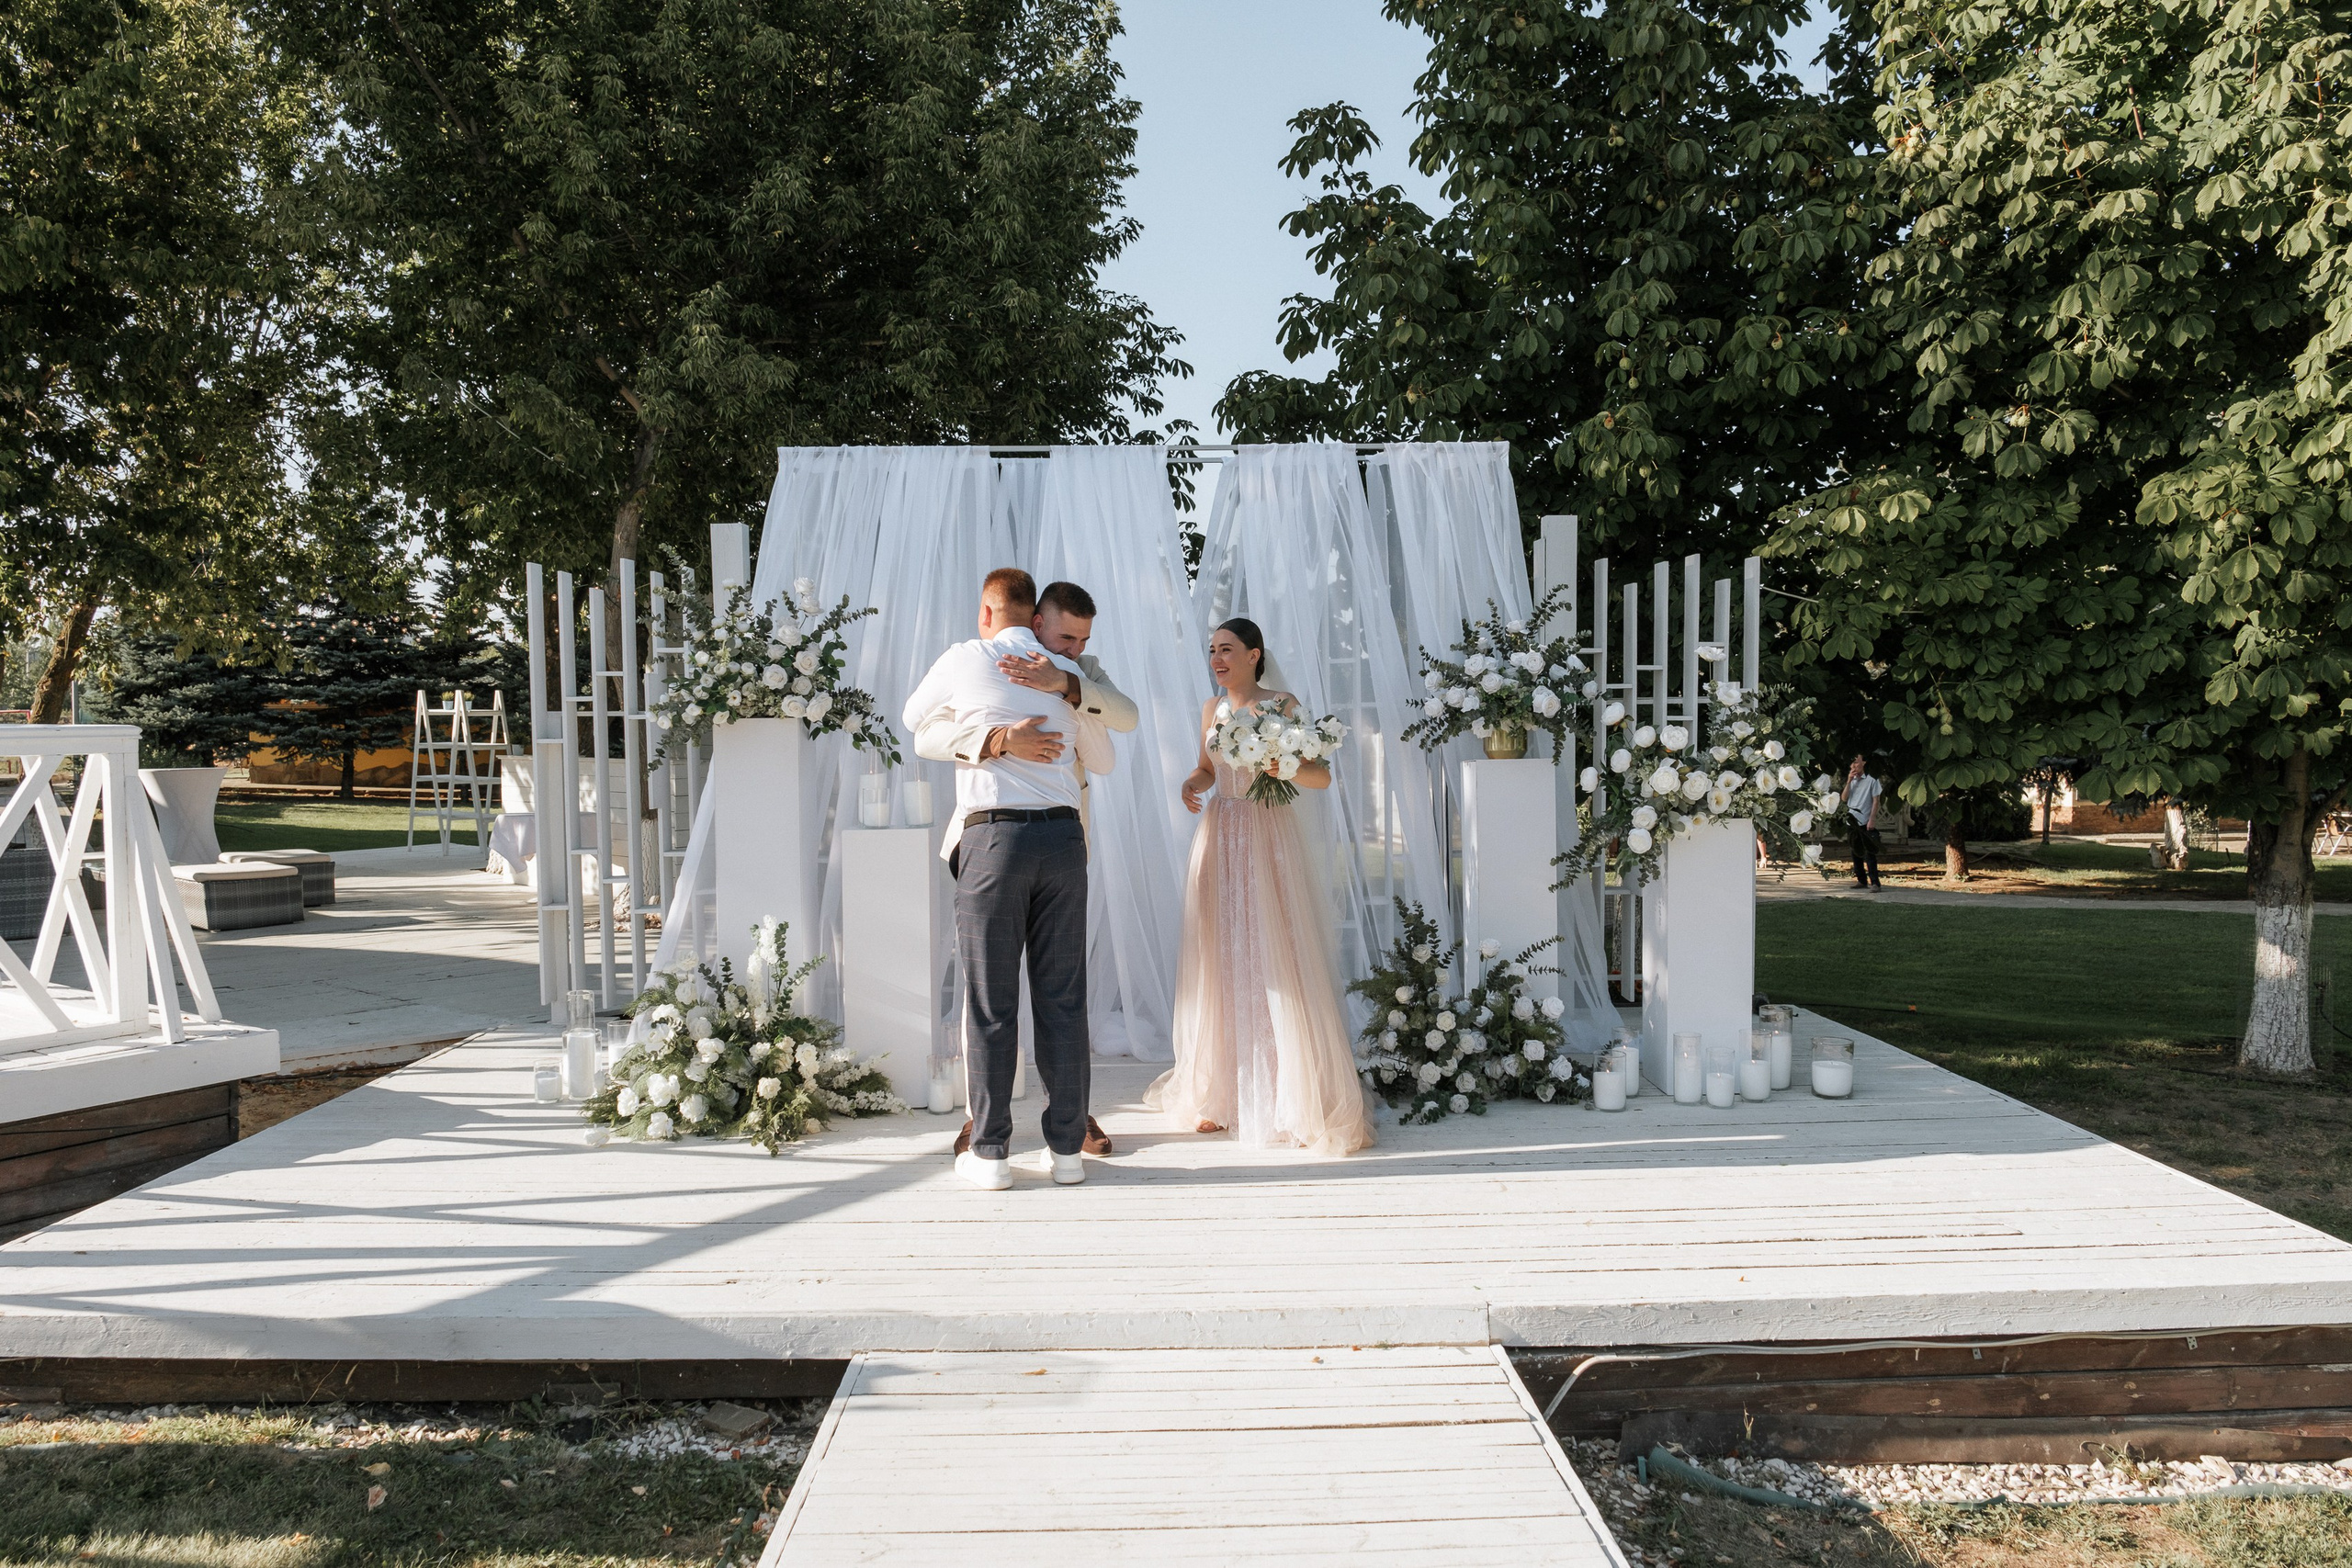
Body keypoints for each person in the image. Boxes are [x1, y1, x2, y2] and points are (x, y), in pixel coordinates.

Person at [914, 579, 1136, 1160]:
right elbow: (925, 729)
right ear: (1036, 622)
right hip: (990, 830)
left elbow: (1122, 729)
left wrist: (1068, 686)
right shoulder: (987, 666)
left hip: (1063, 834)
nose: (1074, 647)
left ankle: (1064, 1123)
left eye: (1082, 640)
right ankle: (980, 1121)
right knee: (990, 993)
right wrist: (995, 738)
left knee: (1056, 995)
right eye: (1065, 637)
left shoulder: (1079, 672)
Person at [1148, 618, 1374, 1156]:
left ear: (1254, 655)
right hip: (1220, 833)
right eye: (1212, 651)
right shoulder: (1212, 710)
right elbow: (1207, 767)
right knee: (1220, 954)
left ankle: (1286, 1096)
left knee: (1274, 954)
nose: (1217, 659)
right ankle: (1220, 1093)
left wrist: (1281, 763)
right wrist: (1192, 783)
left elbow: (1319, 776)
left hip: (1266, 833)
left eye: (1227, 650)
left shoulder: (1282, 706)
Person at [1843, 754, 1883, 888]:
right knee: (1855, 853)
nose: (1853, 766)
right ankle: (1861, 880)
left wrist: (1872, 820)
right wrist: (1849, 781)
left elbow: (1876, 801)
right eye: (1851, 764)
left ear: (1864, 763)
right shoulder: (1852, 780)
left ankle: (1875, 883)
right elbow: (1844, 798)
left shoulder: (1872, 779)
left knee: (1869, 854)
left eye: (1856, 763)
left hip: (1865, 821)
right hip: (1851, 821)